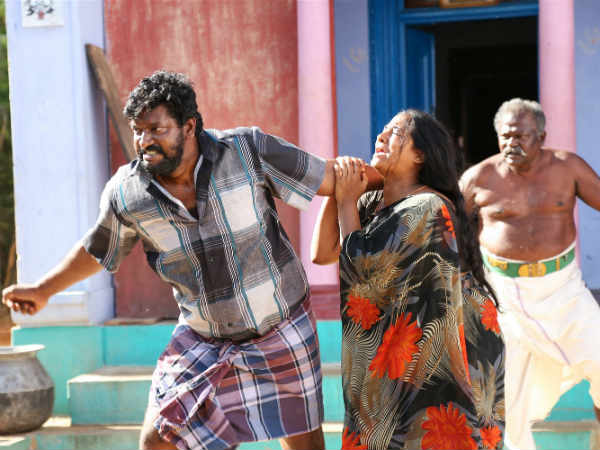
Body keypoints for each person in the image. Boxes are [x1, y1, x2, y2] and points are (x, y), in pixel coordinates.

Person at [1, 71, 379, 450]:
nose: (144, 141)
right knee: (157, 440)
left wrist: (401, 179)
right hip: (203, 339)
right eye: (138, 131)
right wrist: (42, 290)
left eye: (156, 129)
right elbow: (99, 249)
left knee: (305, 443)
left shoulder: (247, 151)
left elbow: (331, 177)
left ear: (189, 126)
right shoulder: (128, 193)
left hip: (281, 327)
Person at [311, 110, 505, 450]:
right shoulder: (373, 203)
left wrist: (346, 200)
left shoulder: (429, 207)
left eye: (396, 133)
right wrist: (341, 188)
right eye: (383, 130)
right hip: (397, 364)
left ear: (420, 155)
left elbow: (366, 273)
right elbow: (323, 252)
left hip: (436, 365)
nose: (381, 136)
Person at [460, 98, 600, 450]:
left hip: (564, 288)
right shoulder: (479, 178)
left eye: (521, 136)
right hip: (504, 294)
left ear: (542, 137)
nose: (512, 144)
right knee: (510, 399)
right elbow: (448, 230)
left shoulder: (567, 168)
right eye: (505, 136)